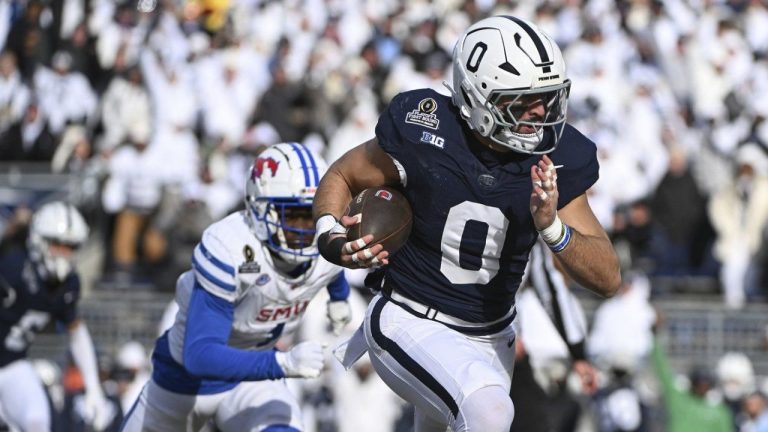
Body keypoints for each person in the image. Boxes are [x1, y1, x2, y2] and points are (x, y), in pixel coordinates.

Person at [313, 15, 621, 432]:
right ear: (478, 100)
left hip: (494, 338)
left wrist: (552, 228)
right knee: (489, 415)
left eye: (546, 97)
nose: (539, 112)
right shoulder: (424, 128)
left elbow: (607, 277)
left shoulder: (558, 157)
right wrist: (330, 234)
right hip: (408, 317)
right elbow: (342, 176)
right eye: (521, 101)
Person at [120, 142, 352, 431]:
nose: (306, 230)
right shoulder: (231, 247)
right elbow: (201, 354)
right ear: (260, 210)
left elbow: (330, 269)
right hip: (184, 382)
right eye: (294, 215)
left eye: (314, 214)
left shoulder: (326, 247)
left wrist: (339, 298)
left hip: (251, 380)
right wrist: (283, 364)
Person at [0, 201, 114, 431]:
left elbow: (76, 331)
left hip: (12, 364)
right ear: (38, 240)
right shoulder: (13, 268)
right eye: (58, 245)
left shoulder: (68, 285)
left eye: (71, 247)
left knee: (37, 421)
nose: (64, 253)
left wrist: (93, 388)